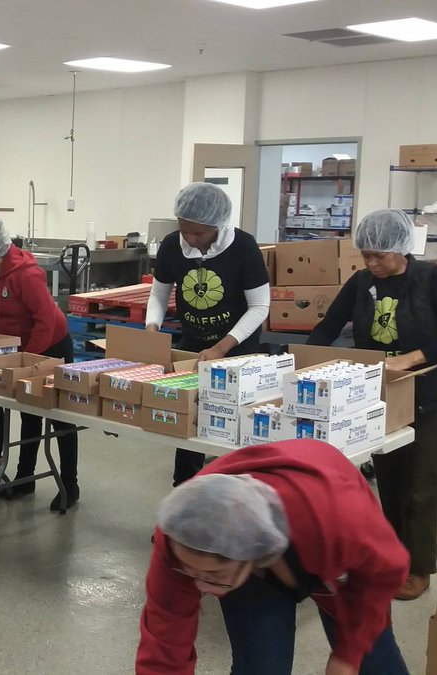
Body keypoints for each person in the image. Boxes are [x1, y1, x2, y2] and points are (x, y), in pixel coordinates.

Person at [307, 209, 437, 601]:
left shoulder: (433, 281)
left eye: (378, 257)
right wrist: (305, 360)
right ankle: (389, 558)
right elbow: (328, 327)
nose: (371, 264)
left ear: (400, 249)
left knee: (421, 482)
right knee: (390, 477)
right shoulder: (360, 283)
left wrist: (413, 357)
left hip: (431, 390)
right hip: (380, 392)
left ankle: (419, 568)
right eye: (365, 256)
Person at [137, 440, 410, 675]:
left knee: (373, 661)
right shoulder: (180, 535)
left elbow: (389, 570)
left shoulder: (339, 522)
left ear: (251, 553)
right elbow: (164, 643)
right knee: (260, 668)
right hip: (249, 560)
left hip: (322, 529)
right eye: (191, 573)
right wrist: (208, 575)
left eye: (213, 577)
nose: (202, 588)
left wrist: (348, 654)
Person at [145, 182, 270, 487]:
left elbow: (260, 307)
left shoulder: (243, 247)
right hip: (193, 347)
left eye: (198, 234)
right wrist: (152, 329)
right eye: (184, 230)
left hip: (237, 351)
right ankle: (184, 501)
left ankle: (236, 498)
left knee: (232, 432)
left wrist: (222, 348)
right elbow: (159, 294)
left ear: (218, 225)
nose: (190, 238)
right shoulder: (173, 245)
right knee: (188, 426)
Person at [0, 218, 81, 511]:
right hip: (17, 348)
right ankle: (25, 478)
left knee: (60, 415)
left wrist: (28, 361)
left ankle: (70, 483)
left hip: (50, 344)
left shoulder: (26, 275)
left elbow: (46, 320)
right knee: (28, 413)